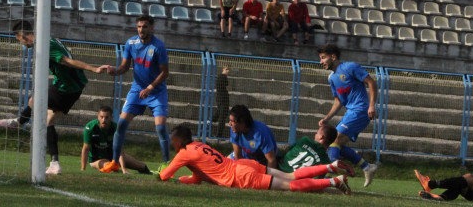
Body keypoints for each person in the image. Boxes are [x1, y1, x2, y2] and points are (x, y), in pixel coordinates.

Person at [0, 20, 108, 175]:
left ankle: (19, 121)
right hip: (66, 85)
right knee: (48, 121)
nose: (21, 44)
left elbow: (67, 61)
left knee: (33, 101)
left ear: (22, 35)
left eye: (19, 40)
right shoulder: (48, 39)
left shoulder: (46, 45)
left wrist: (93, 68)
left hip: (68, 87)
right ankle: (55, 163)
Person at [159, 124, 353, 195]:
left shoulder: (184, 153)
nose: (171, 143)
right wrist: (183, 180)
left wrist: (161, 173)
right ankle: (330, 166)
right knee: (292, 176)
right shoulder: (200, 145)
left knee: (290, 187)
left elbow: (164, 176)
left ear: (180, 141)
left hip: (241, 175)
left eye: (173, 140)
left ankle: (332, 181)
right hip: (244, 164)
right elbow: (198, 177)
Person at [101, 15, 170, 174]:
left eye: (144, 27)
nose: (141, 30)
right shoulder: (131, 43)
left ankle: (167, 166)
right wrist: (115, 72)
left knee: (160, 128)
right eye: (139, 26)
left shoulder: (158, 46)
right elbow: (124, 67)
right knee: (121, 124)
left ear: (151, 28)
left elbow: (165, 73)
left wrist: (150, 88)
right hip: (137, 90)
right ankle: (114, 162)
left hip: (156, 92)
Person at [318, 43, 378, 187]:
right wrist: (327, 118)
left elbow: (371, 82)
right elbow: (338, 101)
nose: (320, 62)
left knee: (334, 141)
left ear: (333, 57)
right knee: (333, 143)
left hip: (361, 111)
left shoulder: (350, 67)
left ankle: (328, 179)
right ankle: (367, 167)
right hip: (350, 112)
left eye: (323, 58)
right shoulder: (332, 78)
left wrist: (371, 105)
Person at [81, 106, 151, 174]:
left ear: (111, 118)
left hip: (114, 156)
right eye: (101, 117)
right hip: (96, 159)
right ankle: (113, 167)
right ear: (98, 117)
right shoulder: (90, 127)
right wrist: (83, 169)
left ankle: (150, 172)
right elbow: (86, 149)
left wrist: (124, 169)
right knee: (110, 167)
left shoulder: (116, 128)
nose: (104, 120)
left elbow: (120, 150)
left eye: (106, 117)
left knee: (142, 166)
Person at [228, 104, 279, 169]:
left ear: (242, 123)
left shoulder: (260, 133)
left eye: (232, 121)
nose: (229, 124)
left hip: (263, 160)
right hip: (246, 156)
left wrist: (267, 178)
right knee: (224, 166)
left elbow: (271, 160)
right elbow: (238, 157)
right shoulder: (234, 130)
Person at [213, 67, 231, 138]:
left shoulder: (219, 77)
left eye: (229, 70)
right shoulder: (223, 77)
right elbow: (228, 88)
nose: (228, 71)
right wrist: (229, 87)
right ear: (223, 69)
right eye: (227, 69)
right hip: (223, 99)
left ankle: (210, 121)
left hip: (220, 98)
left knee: (219, 113)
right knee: (222, 117)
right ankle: (218, 135)